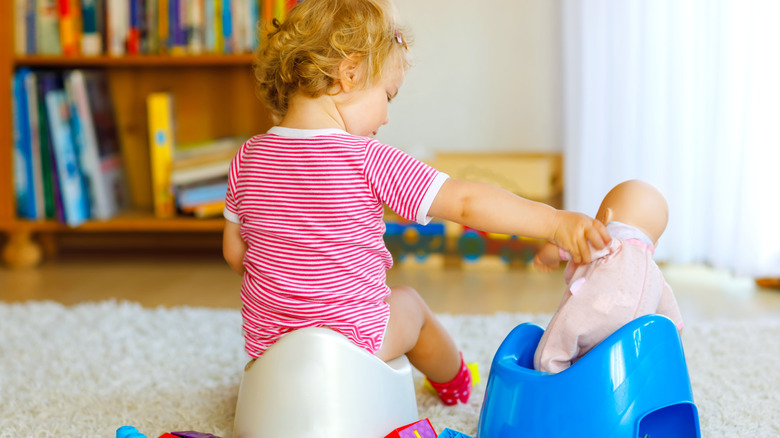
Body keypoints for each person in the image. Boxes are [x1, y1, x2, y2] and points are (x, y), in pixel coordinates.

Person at [222, 0, 611, 405]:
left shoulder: (246, 156)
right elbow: (465, 203)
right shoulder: (368, 157)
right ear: (349, 72)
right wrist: (553, 222)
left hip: (268, 348)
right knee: (409, 304)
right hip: (356, 344)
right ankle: (455, 382)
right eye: (388, 96)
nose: (387, 117)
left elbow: (235, 254)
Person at [533, 179, 684, 373]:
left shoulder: (609, 243)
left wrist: (546, 255)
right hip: (629, 344)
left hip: (590, 319)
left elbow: (573, 243)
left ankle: (548, 374)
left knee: (555, 344)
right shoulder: (656, 274)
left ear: (605, 216)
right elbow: (674, 322)